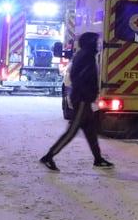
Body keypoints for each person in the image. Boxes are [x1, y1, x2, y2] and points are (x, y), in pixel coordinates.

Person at [40, 32, 113, 171]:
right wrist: (86, 94)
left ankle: (98, 159)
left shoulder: (85, 55)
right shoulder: (86, 56)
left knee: (91, 131)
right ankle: (49, 156)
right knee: (72, 131)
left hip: (84, 99)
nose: (97, 43)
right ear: (89, 42)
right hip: (82, 99)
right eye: (95, 41)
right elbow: (79, 78)